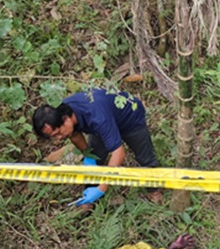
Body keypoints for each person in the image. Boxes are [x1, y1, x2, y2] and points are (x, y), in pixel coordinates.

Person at [33, 87, 161, 206]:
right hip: (100, 126)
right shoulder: (64, 111)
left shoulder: (97, 117)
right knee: (96, 158)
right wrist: (87, 155)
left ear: (66, 120)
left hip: (129, 119)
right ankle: (87, 199)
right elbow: (74, 134)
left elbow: (118, 153)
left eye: (58, 133)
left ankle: (154, 191)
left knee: (145, 158)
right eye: (53, 136)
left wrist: (102, 188)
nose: (59, 138)